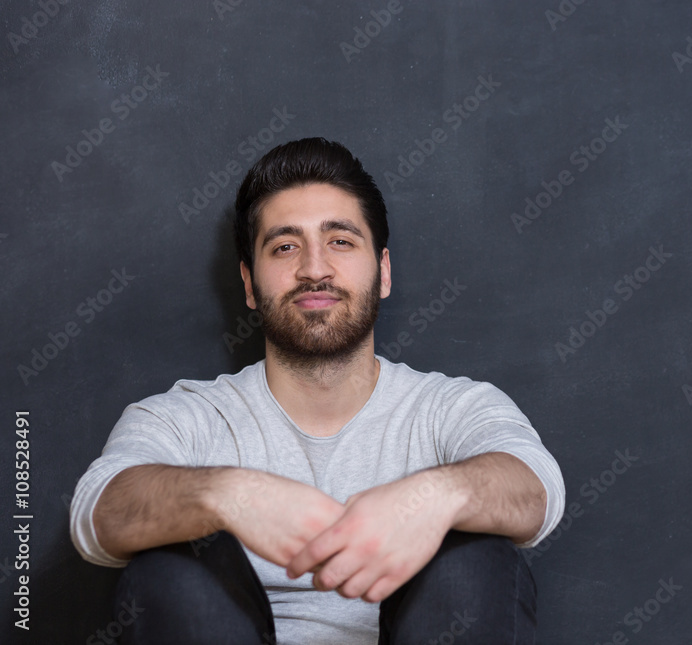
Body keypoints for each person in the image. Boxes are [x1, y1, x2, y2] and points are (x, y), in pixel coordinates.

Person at [69, 137, 565, 644]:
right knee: (168, 565)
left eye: (341, 241)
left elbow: (537, 493)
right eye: (285, 246)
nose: (313, 268)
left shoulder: (450, 407)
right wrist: (227, 494)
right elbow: (97, 514)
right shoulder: (185, 417)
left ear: (384, 271)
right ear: (248, 283)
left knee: (475, 557)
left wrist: (436, 495)